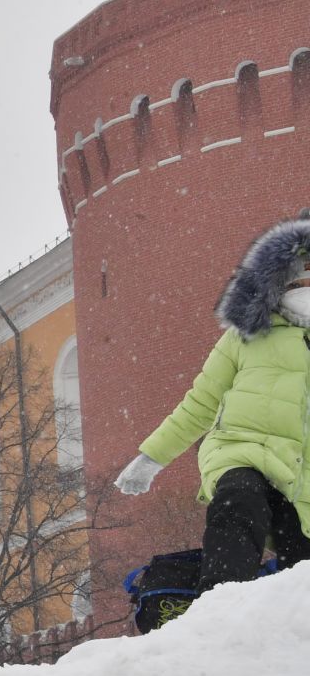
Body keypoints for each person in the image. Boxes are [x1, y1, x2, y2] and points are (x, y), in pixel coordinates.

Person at [117, 215, 310, 610]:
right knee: (238, 500)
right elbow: (201, 402)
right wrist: (151, 458)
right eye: (297, 275)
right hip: (241, 450)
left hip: (304, 476)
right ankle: (218, 606)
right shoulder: (246, 336)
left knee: (299, 561)